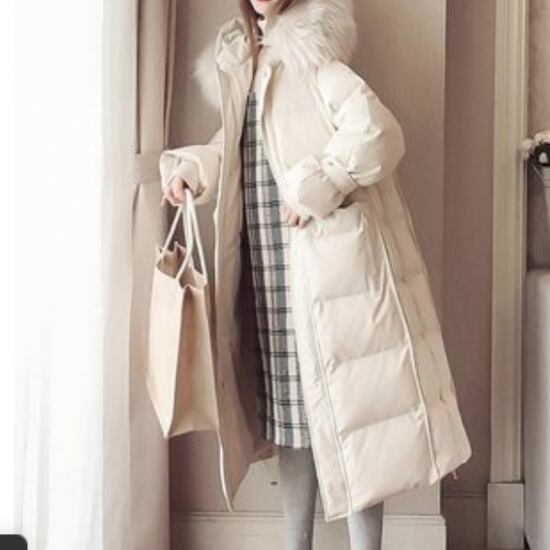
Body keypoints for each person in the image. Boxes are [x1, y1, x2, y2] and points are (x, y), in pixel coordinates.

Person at [161, 0, 472, 548]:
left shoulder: (312, 54)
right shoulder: (246, 58)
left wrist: (324, 182)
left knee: (356, 418)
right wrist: (191, 171)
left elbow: (378, 132)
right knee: (292, 417)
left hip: (326, 273)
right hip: (270, 269)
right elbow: (237, 145)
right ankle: (294, 541)